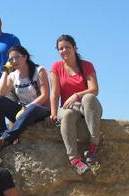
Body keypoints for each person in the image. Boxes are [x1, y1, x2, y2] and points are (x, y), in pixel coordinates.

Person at [50, 34, 102, 175]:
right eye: (61, 48)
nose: (64, 50)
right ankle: (75, 160)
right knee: (66, 115)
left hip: (87, 107)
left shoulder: (86, 65)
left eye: (67, 47)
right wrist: (54, 113)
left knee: (88, 97)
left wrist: (77, 95)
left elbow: (94, 89)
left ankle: (93, 146)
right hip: (69, 108)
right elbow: (54, 93)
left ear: (74, 48)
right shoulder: (56, 67)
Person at [0, 45, 50, 149]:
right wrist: (5, 70)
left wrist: (27, 108)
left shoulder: (39, 70)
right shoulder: (13, 75)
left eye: (17, 57)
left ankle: (7, 138)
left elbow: (45, 95)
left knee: (33, 108)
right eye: (10, 59)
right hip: (22, 113)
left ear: (25, 56)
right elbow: (0, 93)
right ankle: (1, 137)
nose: (14, 61)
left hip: (39, 110)